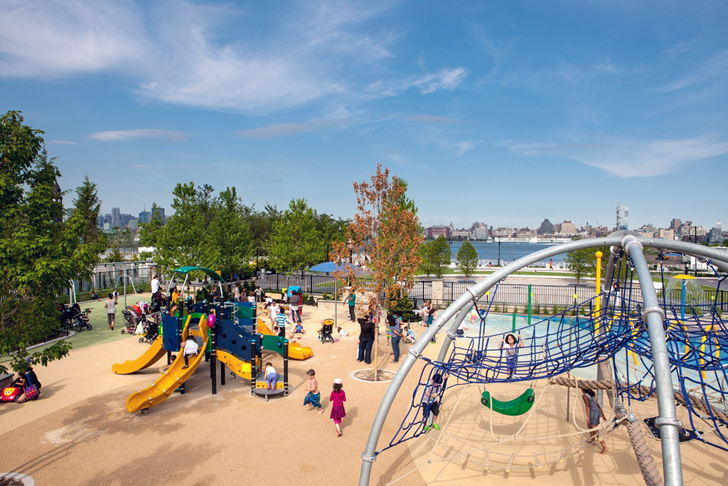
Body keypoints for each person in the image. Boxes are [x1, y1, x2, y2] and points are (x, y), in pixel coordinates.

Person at [582, 388, 608, 454]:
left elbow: (587, 406)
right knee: (589, 425)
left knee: (595, 430)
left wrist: (588, 416)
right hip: (597, 412)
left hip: (593, 413)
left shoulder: (584, 395)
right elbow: (598, 405)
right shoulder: (592, 396)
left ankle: (604, 447)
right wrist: (602, 414)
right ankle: (592, 440)